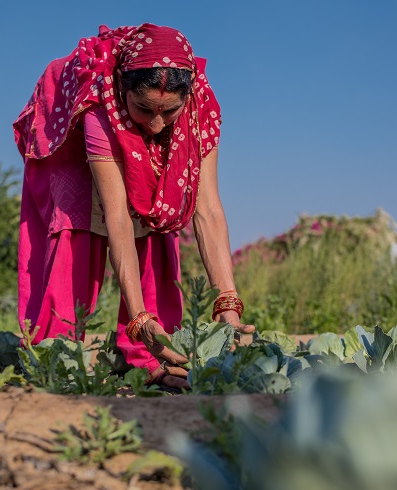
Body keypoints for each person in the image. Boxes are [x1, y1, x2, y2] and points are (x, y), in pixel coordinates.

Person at [13, 23, 253, 389]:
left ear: (186, 99)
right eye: (144, 109)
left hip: (136, 123)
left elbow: (208, 210)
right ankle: (53, 351)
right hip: (70, 143)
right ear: (124, 89)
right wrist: (139, 317)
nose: (156, 124)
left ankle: (147, 358)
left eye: (168, 112)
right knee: (78, 229)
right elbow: (118, 217)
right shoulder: (99, 103)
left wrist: (228, 302)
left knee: (159, 215)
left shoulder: (199, 108)